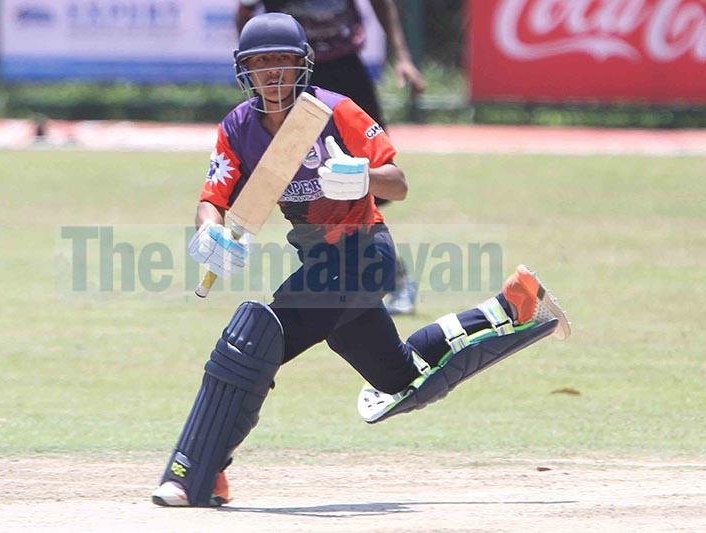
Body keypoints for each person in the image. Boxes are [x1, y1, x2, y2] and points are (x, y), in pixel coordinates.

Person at [152, 13, 570, 508]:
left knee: (253, 342)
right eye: (261, 63)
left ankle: (200, 471)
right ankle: (511, 306)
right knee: (400, 380)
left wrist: (363, 177)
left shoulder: (334, 111)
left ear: (303, 65)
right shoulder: (238, 128)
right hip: (320, 264)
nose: (273, 73)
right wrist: (208, 231)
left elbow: (399, 182)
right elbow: (213, 198)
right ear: (245, 70)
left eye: (284, 61)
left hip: (364, 255)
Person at [236, 0, 425, 315]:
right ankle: (336, 272)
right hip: (289, 74)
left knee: (361, 178)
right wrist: (255, 76)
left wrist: (402, 56)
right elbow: (244, 14)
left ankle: (389, 274)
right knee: (300, 184)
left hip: (342, 67)